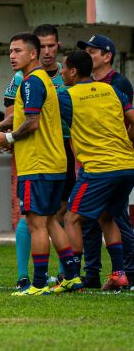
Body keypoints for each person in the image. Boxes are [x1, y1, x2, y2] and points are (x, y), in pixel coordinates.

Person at [0, 33, 83, 296]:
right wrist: (0, 126)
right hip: (55, 162)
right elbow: (25, 117)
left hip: (37, 164)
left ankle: (39, 283)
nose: (12, 55)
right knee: (53, 221)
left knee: (36, 224)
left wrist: (7, 137)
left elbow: (32, 123)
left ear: (32, 54)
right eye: (10, 50)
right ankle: (72, 277)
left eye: (18, 50)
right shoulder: (43, 80)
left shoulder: (31, 82)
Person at [58, 50, 134, 291]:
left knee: (72, 218)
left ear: (72, 71)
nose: (60, 73)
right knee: (107, 217)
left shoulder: (66, 96)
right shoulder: (112, 90)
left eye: (63, 68)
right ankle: (119, 274)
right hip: (127, 166)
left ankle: (73, 276)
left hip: (100, 168)